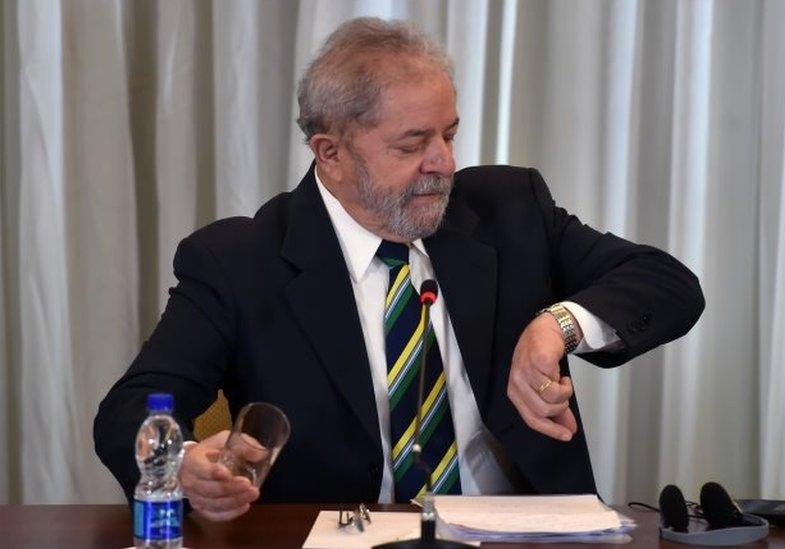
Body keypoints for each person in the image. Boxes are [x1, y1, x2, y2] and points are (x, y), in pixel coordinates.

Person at [94, 17, 704, 522]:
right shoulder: (237, 261)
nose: (443, 164)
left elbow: (669, 283)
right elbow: (130, 411)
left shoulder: (509, 211)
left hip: (520, 533)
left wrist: (557, 326)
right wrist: (185, 465)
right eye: (412, 146)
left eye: (449, 134)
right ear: (329, 153)